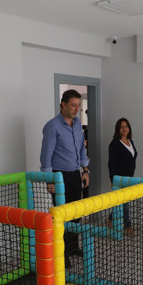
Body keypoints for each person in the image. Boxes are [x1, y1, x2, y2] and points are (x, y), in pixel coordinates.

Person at [40, 89, 90, 258]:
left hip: (75, 174)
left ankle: (72, 247)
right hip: (59, 176)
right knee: (62, 216)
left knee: (76, 213)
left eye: (78, 105)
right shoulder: (52, 126)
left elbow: (81, 149)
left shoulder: (77, 123)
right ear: (63, 105)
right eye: (73, 105)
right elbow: (46, 155)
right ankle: (62, 254)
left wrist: (85, 171)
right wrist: (49, 180)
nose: (76, 109)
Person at [107, 118, 137, 236]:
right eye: (121, 127)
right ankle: (127, 226)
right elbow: (112, 163)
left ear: (129, 128)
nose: (124, 129)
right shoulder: (114, 144)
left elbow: (132, 159)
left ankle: (110, 218)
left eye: (126, 126)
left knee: (122, 201)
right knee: (125, 202)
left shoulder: (131, 142)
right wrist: (112, 179)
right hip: (119, 179)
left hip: (129, 178)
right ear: (118, 129)